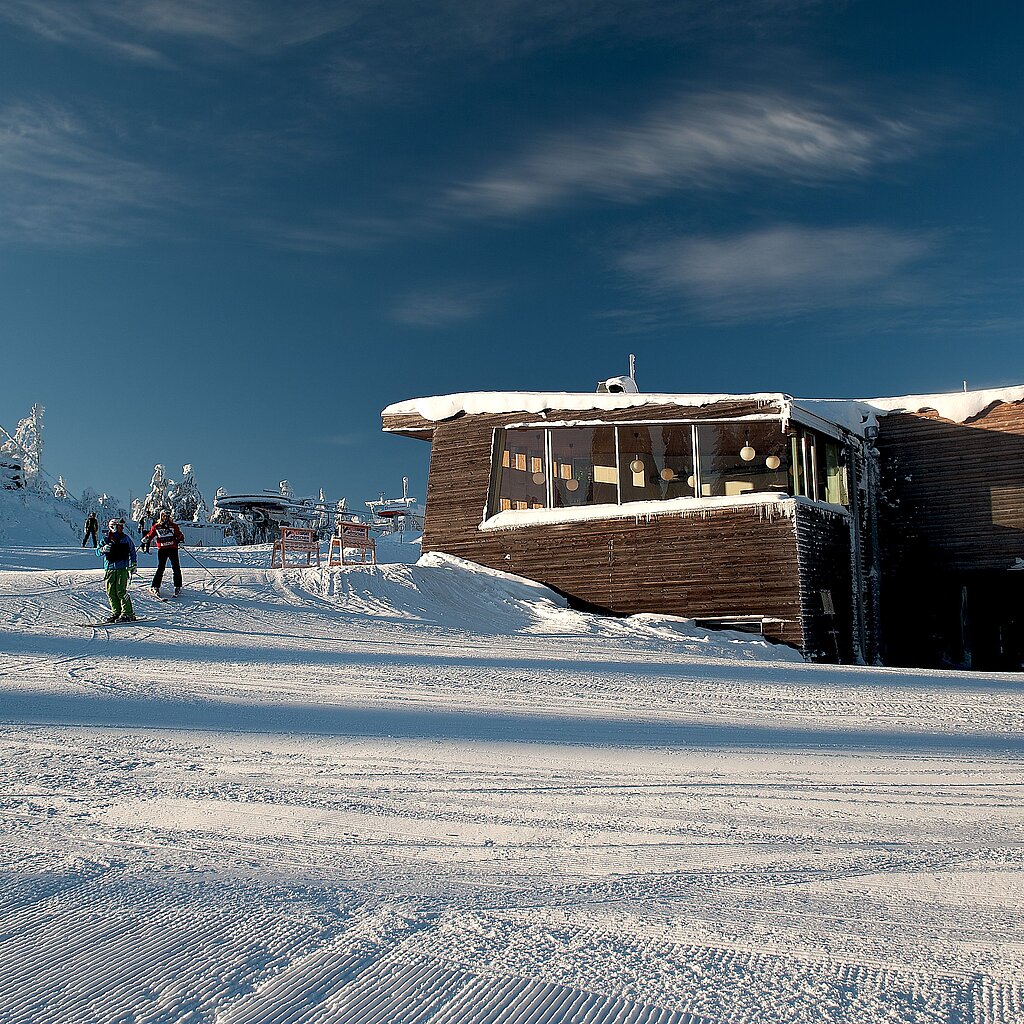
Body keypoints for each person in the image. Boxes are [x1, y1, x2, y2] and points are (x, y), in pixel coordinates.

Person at [96, 518, 137, 622]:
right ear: (113, 527)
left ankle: (128, 613)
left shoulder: (126, 539)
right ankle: (116, 612)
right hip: (109, 569)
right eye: (120, 526)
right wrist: (102, 549)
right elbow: (97, 552)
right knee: (110, 592)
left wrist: (133, 564)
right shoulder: (105, 539)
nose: (122, 528)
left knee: (121, 591)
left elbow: (132, 551)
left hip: (122, 569)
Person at [143, 509, 185, 597]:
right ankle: (155, 586)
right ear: (161, 516)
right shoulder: (156, 526)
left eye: (168, 516)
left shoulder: (174, 526)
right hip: (162, 549)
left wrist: (181, 541)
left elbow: (179, 535)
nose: (166, 518)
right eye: (164, 516)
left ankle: (178, 586)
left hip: (173, 548)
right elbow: (151, 535)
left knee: (176, 567)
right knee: (161, 568)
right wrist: (146, 539)